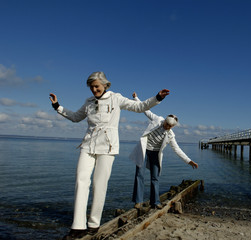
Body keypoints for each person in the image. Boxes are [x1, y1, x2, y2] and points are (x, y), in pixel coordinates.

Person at [49, 71, 169, 240]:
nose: (94, 90)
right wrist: (57, 107)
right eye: (91, 87)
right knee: (81, 180)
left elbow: (139, 107)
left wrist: (157, 97)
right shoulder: (89, 102)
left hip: (108, 146)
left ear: (105, 85)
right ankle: (77, 226)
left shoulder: (116, 98)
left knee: (100, 184)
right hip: (88, 144)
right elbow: (76, 117)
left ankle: (93, 224)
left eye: (96, 86)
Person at [130, 92, 198, 209]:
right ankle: (138, 201)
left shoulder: (171, 135)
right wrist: (136, 98)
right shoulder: (157, 120)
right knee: (139, 174)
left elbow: (177, 149)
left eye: (170, 126)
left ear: (172, 127)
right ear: (165, 121)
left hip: (155, 154)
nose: (167, 127)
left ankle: (155, 202)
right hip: (144, 149)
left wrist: (189, 161)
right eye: (166, 124)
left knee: (155, 177)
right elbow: (146, 109)